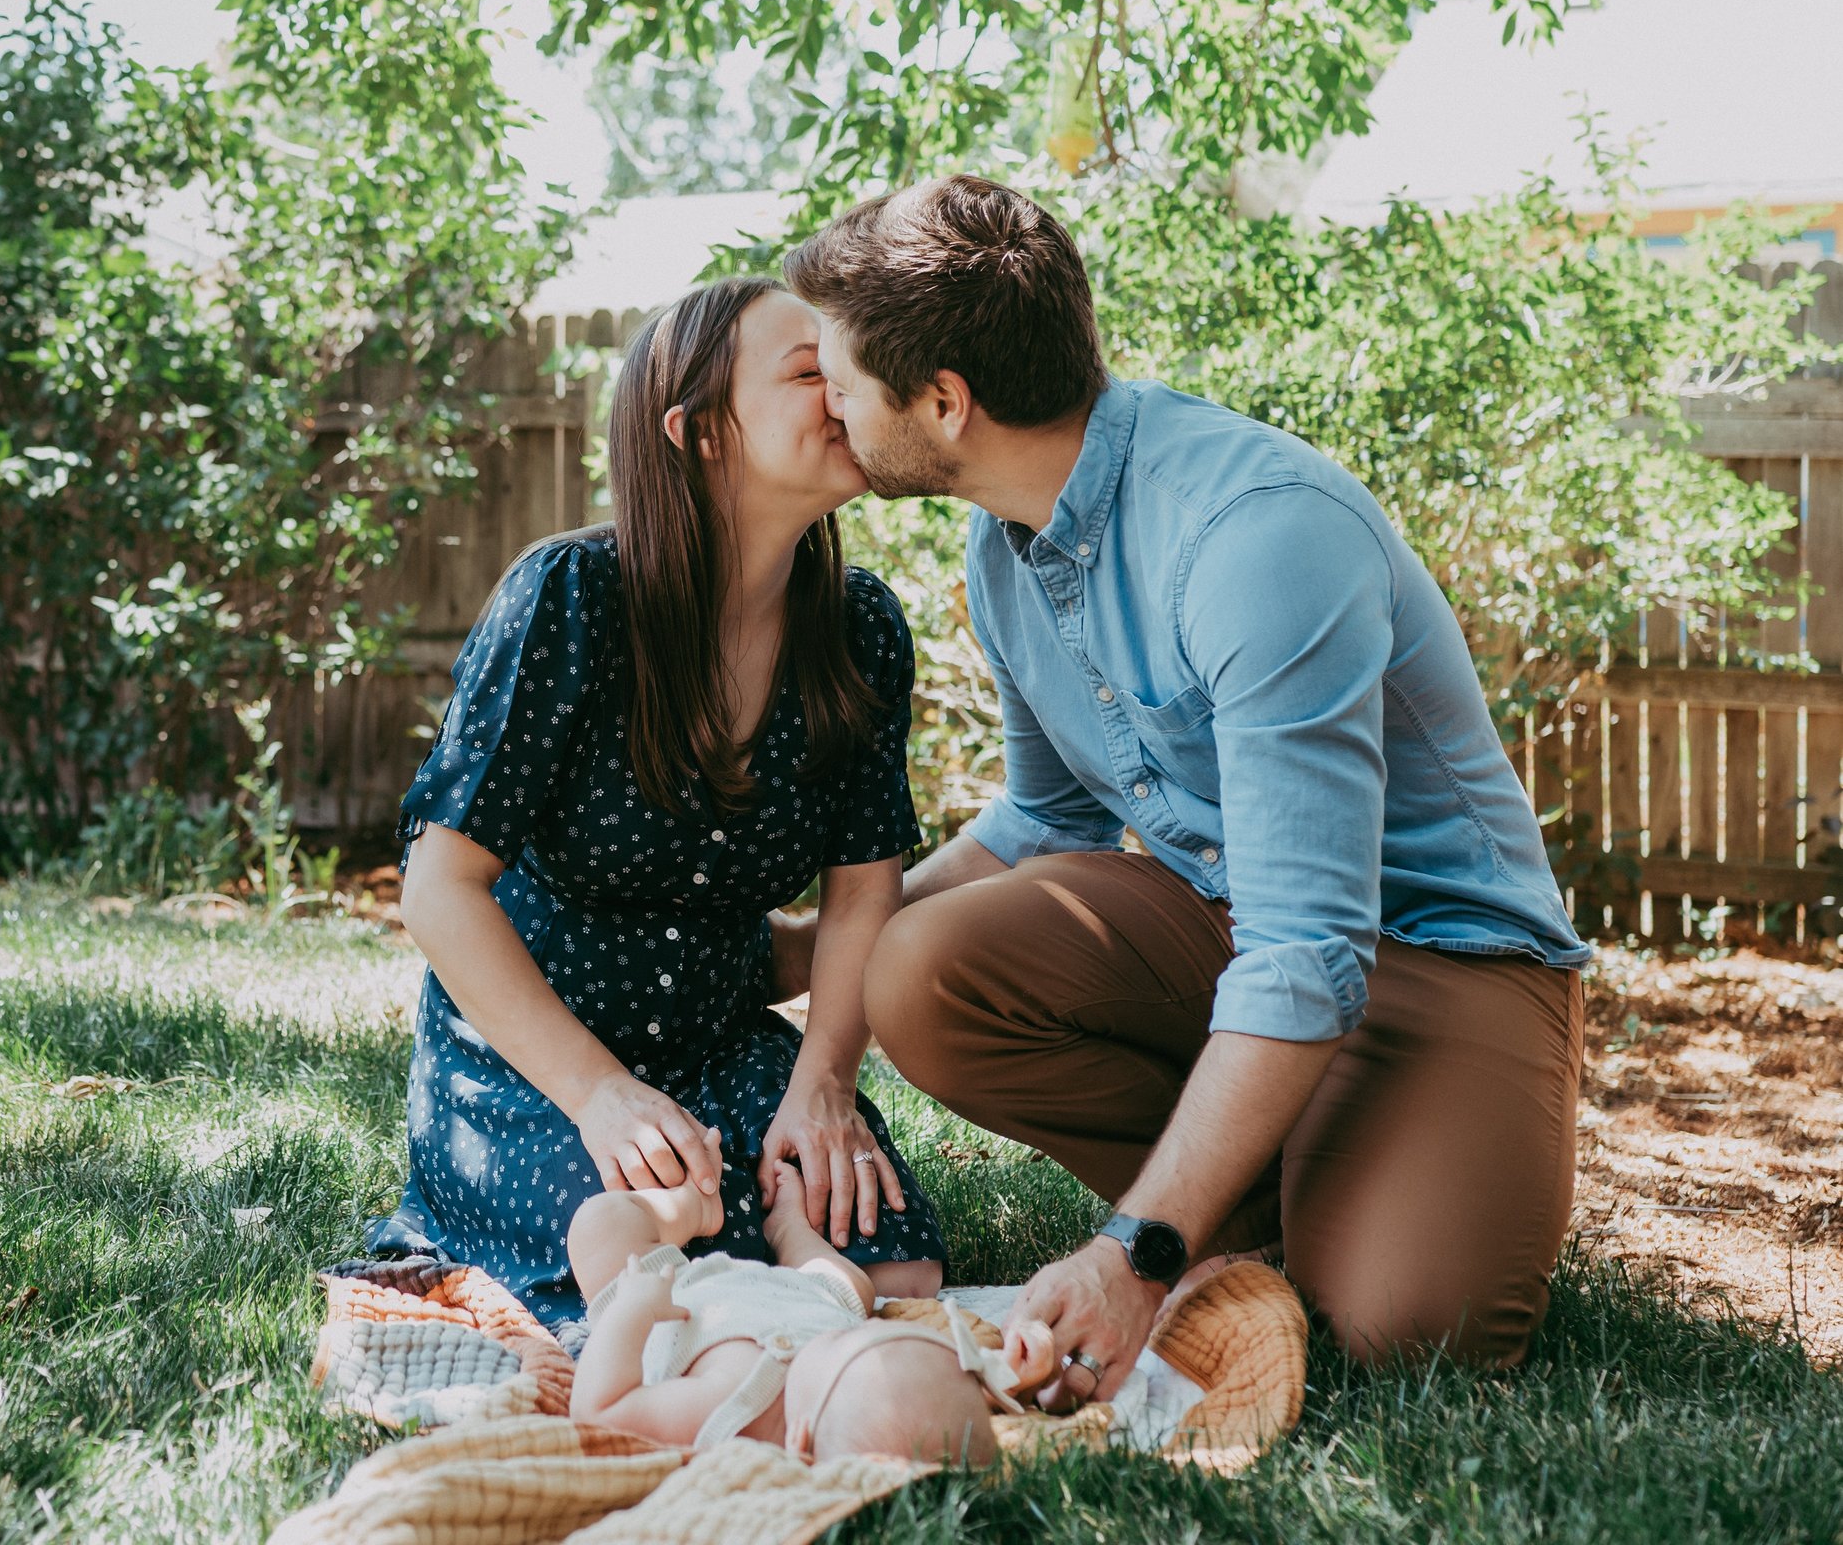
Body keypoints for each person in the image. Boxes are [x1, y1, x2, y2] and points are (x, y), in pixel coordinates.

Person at [774, 175, 1591, 1409]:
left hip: (1440, 955)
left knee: (1403, 1336)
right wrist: (803, 953)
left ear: (944, 402)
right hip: (1232, 928)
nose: (827, 405)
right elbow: (1043, 820)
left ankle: (1258, 1195)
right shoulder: (1003, 543)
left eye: (839, 379)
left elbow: (1308, 951)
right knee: (919, 964)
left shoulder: (1252, 536)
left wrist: (1132, 1256)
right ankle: (1264, 1185)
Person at [375, 276, 947, 1340]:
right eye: (806, 369)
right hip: (537, 1057)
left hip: (725, 1041)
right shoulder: (570, 600)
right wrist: (599, 1094)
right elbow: (440, 886)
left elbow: (866, 889)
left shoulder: (861, 627)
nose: (847, 388)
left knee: (899, 1267)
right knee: (645, 1283)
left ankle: (805, 1291)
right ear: (700, 434)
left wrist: (820, 1084)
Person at [566, 1152, 1056, 1462]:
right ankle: (790, 1231)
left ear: (799, 1442)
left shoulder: (725, 1411)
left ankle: (695, 1207)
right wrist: (1011, 1371)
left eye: (844, 1342)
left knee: (599, 1224)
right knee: (856, 1292)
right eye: (864, 1335)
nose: (855, 1333)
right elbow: (941, 1398)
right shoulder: (873, 1388)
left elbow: (602, 1410)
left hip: (676, 1294)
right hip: (811, 1297)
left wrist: (633, 1309)